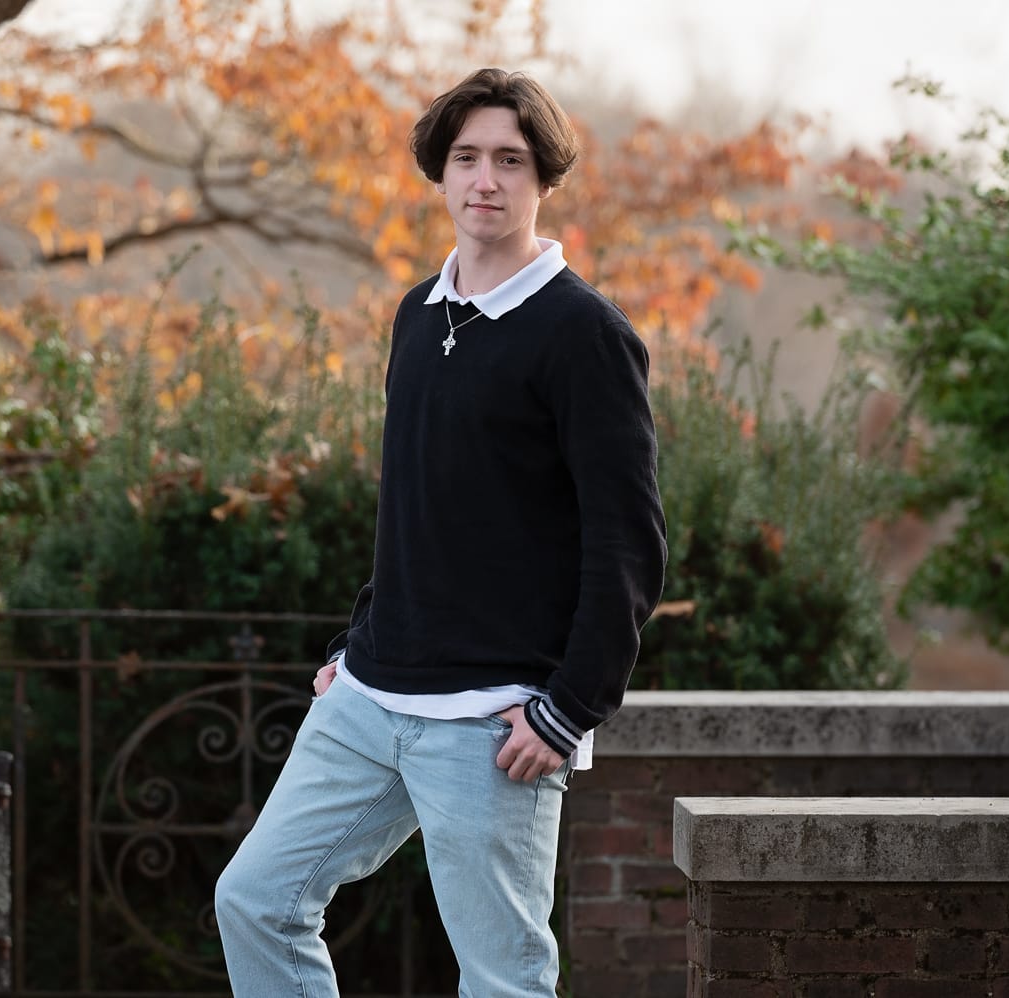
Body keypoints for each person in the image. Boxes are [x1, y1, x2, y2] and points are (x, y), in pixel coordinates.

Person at [214, 67, 667, 997]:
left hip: (493, 725)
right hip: (371, 697)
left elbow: (629, 542)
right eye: (466, 158)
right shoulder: (417, 315)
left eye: (510, 159)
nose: (486, 180)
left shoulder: (584, 335)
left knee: (501, 980)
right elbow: (423, 502)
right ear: (441, 173)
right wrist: (359, 634)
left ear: (544, 178)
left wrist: (570, 707)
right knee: (255, 900)